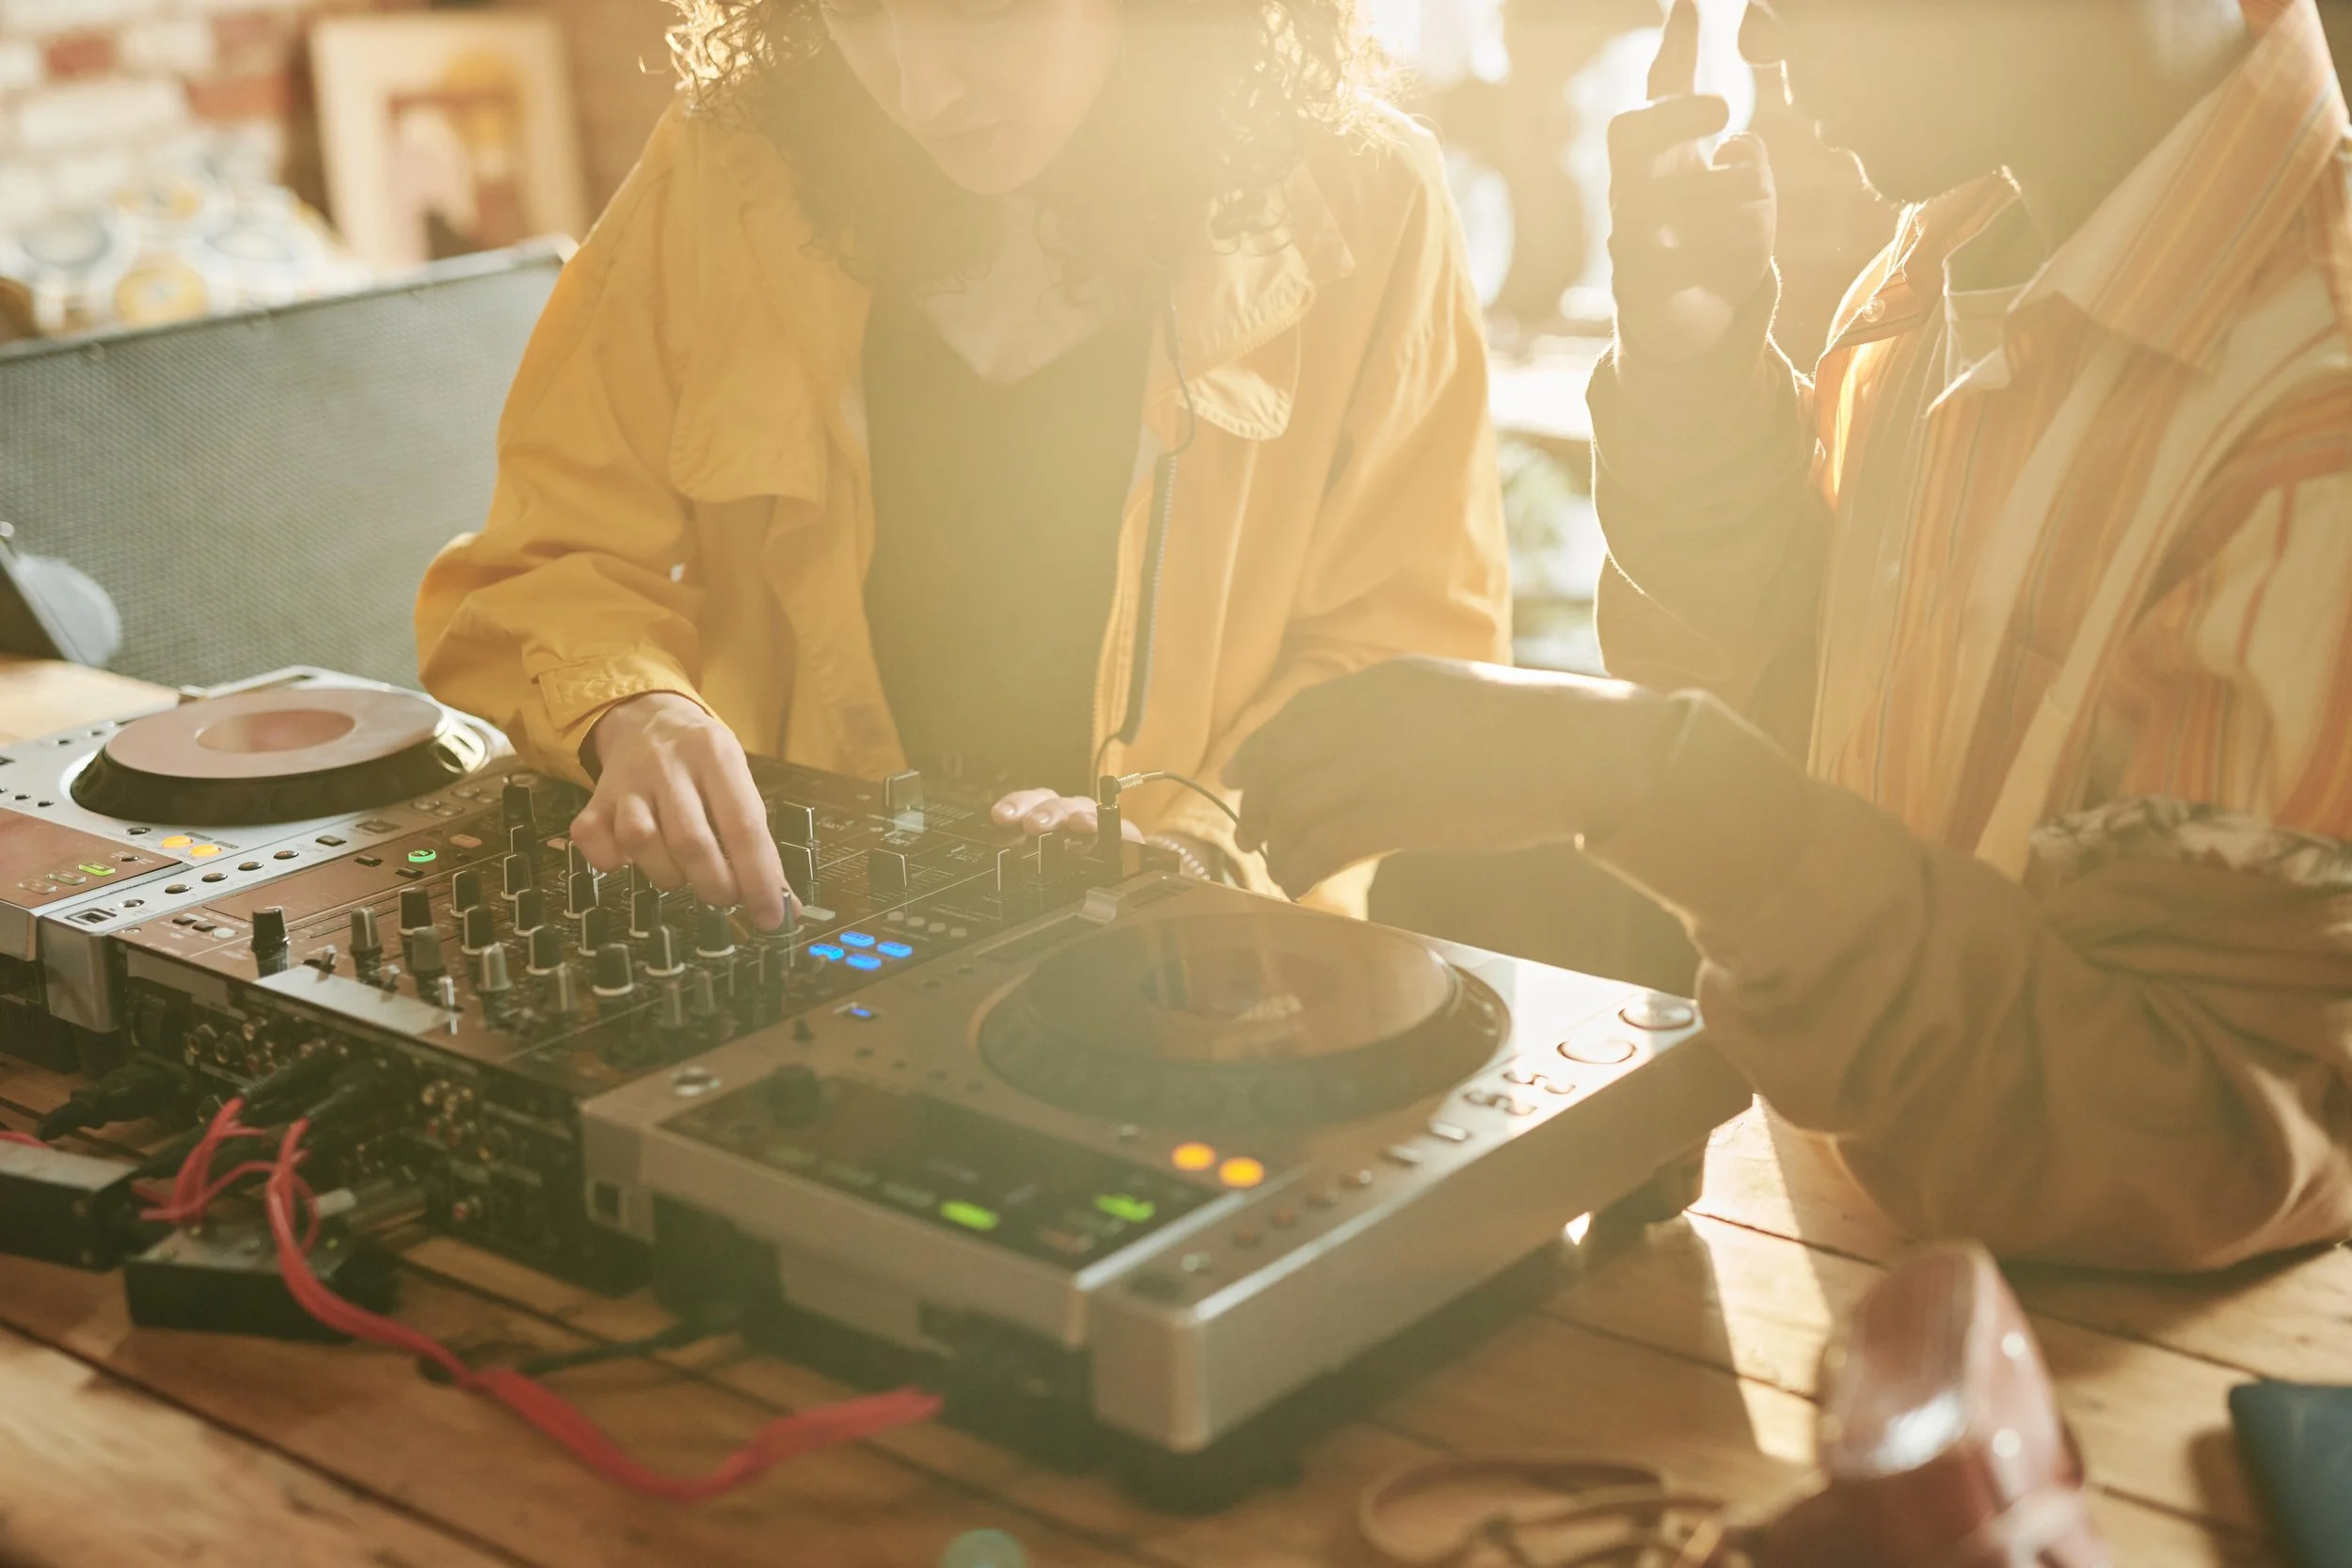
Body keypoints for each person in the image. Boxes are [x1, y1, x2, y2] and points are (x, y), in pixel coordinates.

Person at [1229, 0, 2352, 1271]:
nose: (1761, 40)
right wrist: (1699, 389)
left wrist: (1640, 770)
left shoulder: (2316, 414)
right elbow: (1819, 741)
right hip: (1858, 1247)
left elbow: (2189, 1141)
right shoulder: (1952, 264)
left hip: (2098, 1362)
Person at [415, 0, 1510, 931]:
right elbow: (546, 563)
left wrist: (1194, 842)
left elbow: (1401, 650)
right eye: (852, 8)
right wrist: (632, 708)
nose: (922, 86)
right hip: (805, 927)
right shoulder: (722, 167)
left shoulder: (1371, 199)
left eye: (977, 6)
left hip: (1209, 974)